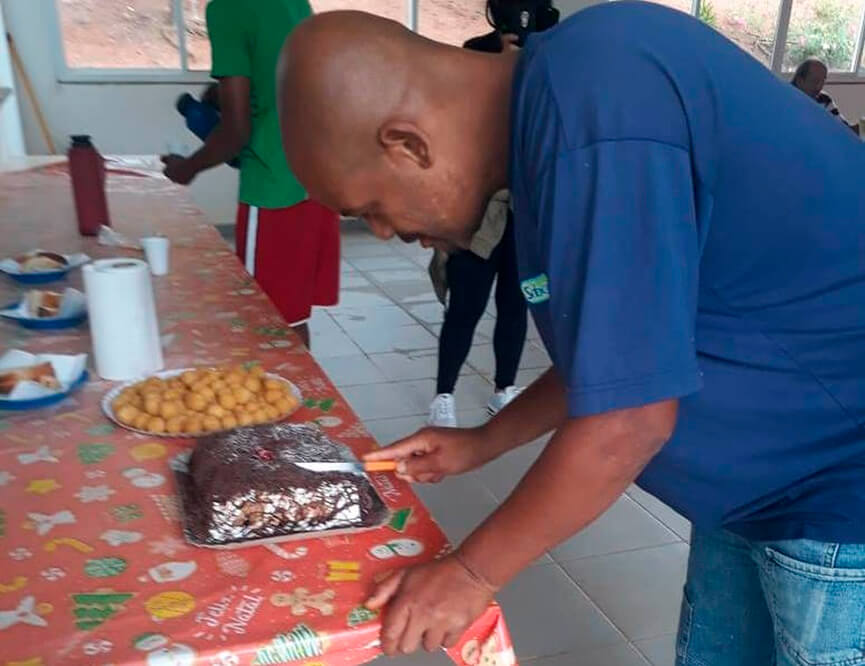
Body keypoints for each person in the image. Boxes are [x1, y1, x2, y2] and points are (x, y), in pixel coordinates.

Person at [277, 4, 865, 664]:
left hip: (835, 487)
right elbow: (624, 350)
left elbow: (631, 414)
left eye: (372, 211)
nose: (385, 234)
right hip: (758, 490)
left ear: (409, 144)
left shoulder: (597, 116)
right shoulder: (558, 117)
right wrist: (483, 441)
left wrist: (470, 573)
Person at [162, 0, 339, 349]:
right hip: (316, 183)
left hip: (274, 192)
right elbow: (285, 80)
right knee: (292, 319)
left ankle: (285, 398)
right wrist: (226, 92)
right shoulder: (292, 4)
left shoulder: (227, 8)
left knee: (266, 324)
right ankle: (298, 395)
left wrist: (186, 169)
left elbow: (236, 132)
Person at [428, 6, 535, 428]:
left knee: (516, 303)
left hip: (525, 208)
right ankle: (443, 395)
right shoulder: (475, 53)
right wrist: (500, 61)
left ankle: (503, 389)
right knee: (465, 305)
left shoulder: (548, 58)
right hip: (479, 206)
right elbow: (458, 117)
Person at [791, 57, 857, 132]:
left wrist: (860, 127)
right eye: (815, 81)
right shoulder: (786, 99)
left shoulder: (824, 99)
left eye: (823, 81)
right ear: (800, 81)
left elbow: (844, 129)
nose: (819, 87)